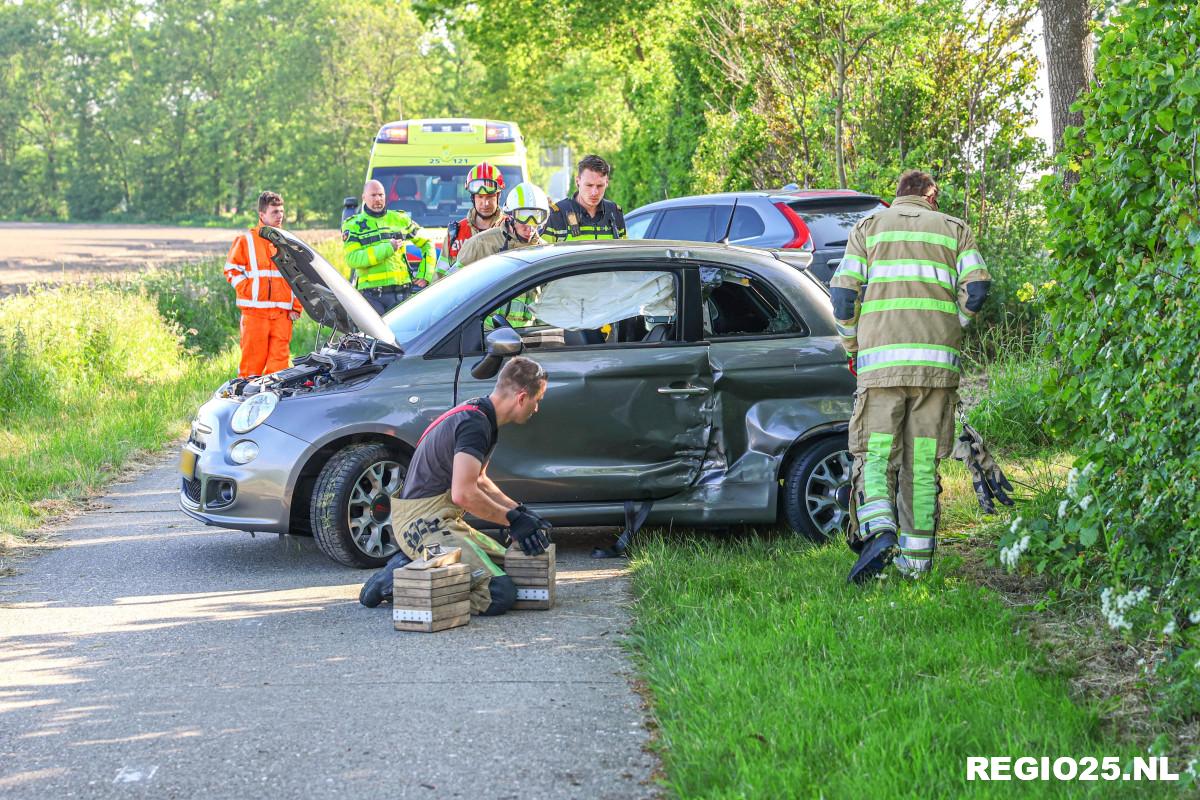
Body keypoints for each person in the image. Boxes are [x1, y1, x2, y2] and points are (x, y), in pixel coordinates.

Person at [830, 169, 992, 583]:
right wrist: (949, 326)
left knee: (876, 453)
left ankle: (880, 531)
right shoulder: (955, 229)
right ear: (931, 198)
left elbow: (844, 296)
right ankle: (916, 566)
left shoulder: (868, 227)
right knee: (921, 462)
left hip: (881, 369)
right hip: (936, 371)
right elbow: (976, 290)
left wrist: (853, 344)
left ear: (897, 197)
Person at [359, 357, 552, 616]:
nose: (536, 409)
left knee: (510, 566)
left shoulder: (483, 417)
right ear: (521, 397)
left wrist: (520, 511)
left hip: (441, 517)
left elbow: (479, 480)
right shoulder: (475, 425)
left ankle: (424, 564)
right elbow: (463, 494)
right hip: (422, 523)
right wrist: (512, 521)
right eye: (536, 400)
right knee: (498, 593)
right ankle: (399, 578)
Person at [222, 191, 303, 379]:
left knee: (279, 369)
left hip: (283, 315)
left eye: (282, 211)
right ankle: (246, 401)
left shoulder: (288, 242)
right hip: (255, 314)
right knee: (252, 367)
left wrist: (296, 307)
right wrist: (248, 290)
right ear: (262, 215)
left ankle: (274, 404)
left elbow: (298, 277)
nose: (280, 215)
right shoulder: (246, 240)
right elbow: (231, 269)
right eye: (274, 212)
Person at [455, 183, 551, 327]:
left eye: (537, 217)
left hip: (528, 340)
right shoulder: (480, 244)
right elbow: (452, 293)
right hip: (486, 338)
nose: (530, 226)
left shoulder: (546, 253)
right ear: (510, 216)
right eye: (523, 217)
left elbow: (549, 305)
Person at [341, 179, 437, 314]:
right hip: (371, 298)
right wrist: (387, 248)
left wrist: (425, 273)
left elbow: (427, 243)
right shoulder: (352, 225)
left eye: (381, 195)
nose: (378, 199)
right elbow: (353, 259)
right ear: (364, 197)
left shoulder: (400, 218)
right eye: (373, 195)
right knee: (375, 336)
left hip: (401, 294)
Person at [543, 154, 627, 242]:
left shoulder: (615, 212)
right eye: (589, 185)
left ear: (606, 183)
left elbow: (623, 252)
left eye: (600, 186)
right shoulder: (557, 214)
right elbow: (544, 253)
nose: (594, 192)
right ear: (577, 182)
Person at [440, 162, 506, 271]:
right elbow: (441, 273)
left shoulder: (510, 228)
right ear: (472, 198)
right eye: (480, 197)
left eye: (490, 197)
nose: (485, 203)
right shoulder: (456, 232)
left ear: (498, 196)